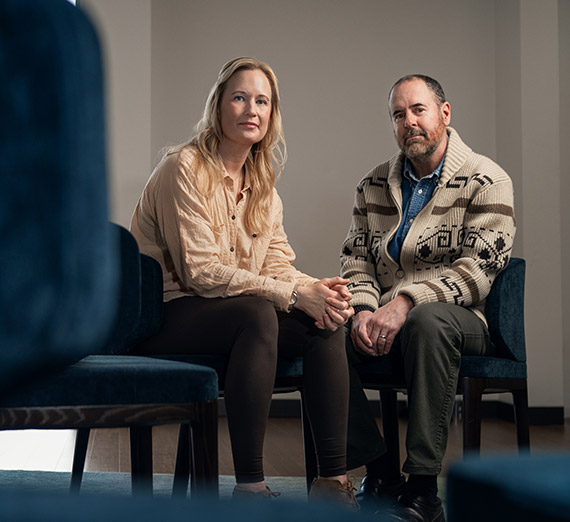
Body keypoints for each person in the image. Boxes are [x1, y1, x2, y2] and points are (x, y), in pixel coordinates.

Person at [129, 57, 357, 508]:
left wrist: (316, 291)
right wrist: (293, 294)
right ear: (219, 106)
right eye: (239, 97)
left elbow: (277, 264)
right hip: (165, 314)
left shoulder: (263, 185)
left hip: (229, 312)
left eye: (261, 101)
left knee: (326, 321)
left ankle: (333, 483)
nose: (250, 108)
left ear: (271, 115)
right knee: (256, 314)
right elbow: (202, 272)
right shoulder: (184, 168)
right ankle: (250, 487)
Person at [340, 75, 515, 522]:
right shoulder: (372, 184)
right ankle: (380, 472)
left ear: (445, 113)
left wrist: (405, 303)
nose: (408, 122)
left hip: (460, 321)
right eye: (399, 114)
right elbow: (356, 261)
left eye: (418, 110)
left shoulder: (488, 179)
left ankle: (422, 492)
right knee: (321, 332)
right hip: (386, 318)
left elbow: (479, 270)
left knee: (427, 321)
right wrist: (361, 311)